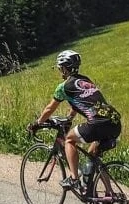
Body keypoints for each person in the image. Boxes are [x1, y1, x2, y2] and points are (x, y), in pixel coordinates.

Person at [29, 50, 122, 195]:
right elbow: (80, 102)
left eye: (60, 68)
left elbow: (49, 109)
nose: (60, 71)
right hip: (114, 121)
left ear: (65, 68)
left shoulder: (64, 87)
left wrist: (37, 123)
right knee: (93, 155)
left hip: (97, 123)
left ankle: (73, 179)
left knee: (70, 140)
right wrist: (70, 118)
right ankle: (110, 194)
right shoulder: (85, 80)